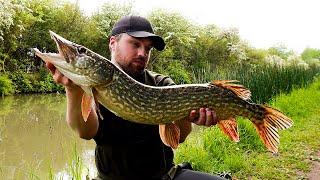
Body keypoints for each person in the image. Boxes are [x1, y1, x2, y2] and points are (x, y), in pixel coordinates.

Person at [46, 15, 226, 180]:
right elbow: (85, 132)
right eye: (135, 44)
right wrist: (72, 90)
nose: (142, 53)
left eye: (148, 48)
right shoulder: (93, 88)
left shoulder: (160, 83)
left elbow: (179, 137)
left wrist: (189, 115)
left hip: (164, 176)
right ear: (112, 43)